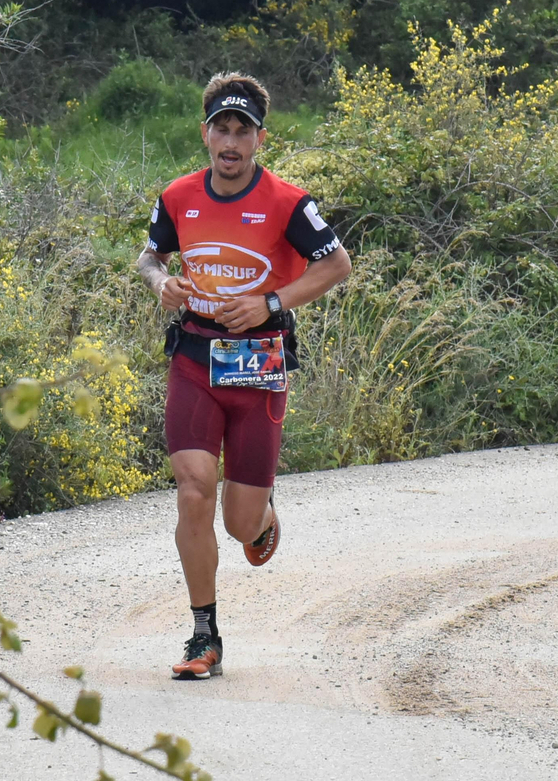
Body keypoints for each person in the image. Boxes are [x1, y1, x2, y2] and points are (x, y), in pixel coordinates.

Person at [135, 73, 352, 680]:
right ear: (205, 134)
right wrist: (163, 284)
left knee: (238, 525)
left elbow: (337, 264)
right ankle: (203, 635)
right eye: (221, 129)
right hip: (195, 358)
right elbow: (150, 255)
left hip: (259, 364)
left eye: (243, 131)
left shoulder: (288, 202)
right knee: (193, 489)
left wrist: (272, 304)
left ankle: (262, 516)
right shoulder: (178, 196)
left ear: (260, 138)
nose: (231, 142)